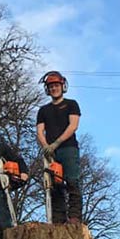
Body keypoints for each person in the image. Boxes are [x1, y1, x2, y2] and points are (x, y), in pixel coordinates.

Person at [36, 71, 82, 224]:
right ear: (47, 89)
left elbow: (73, 126)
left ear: (62, 86)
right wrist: (47, 147)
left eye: (56, 85)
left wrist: (57, 142)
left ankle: (74, 217)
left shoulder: (71, 104)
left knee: (72, 182)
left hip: (68, 148)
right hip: (51, 153)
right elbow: (40, 131)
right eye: (51, 86)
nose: (54, 88)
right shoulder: (43, 111)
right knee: (55, 185)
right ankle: (58, 220)